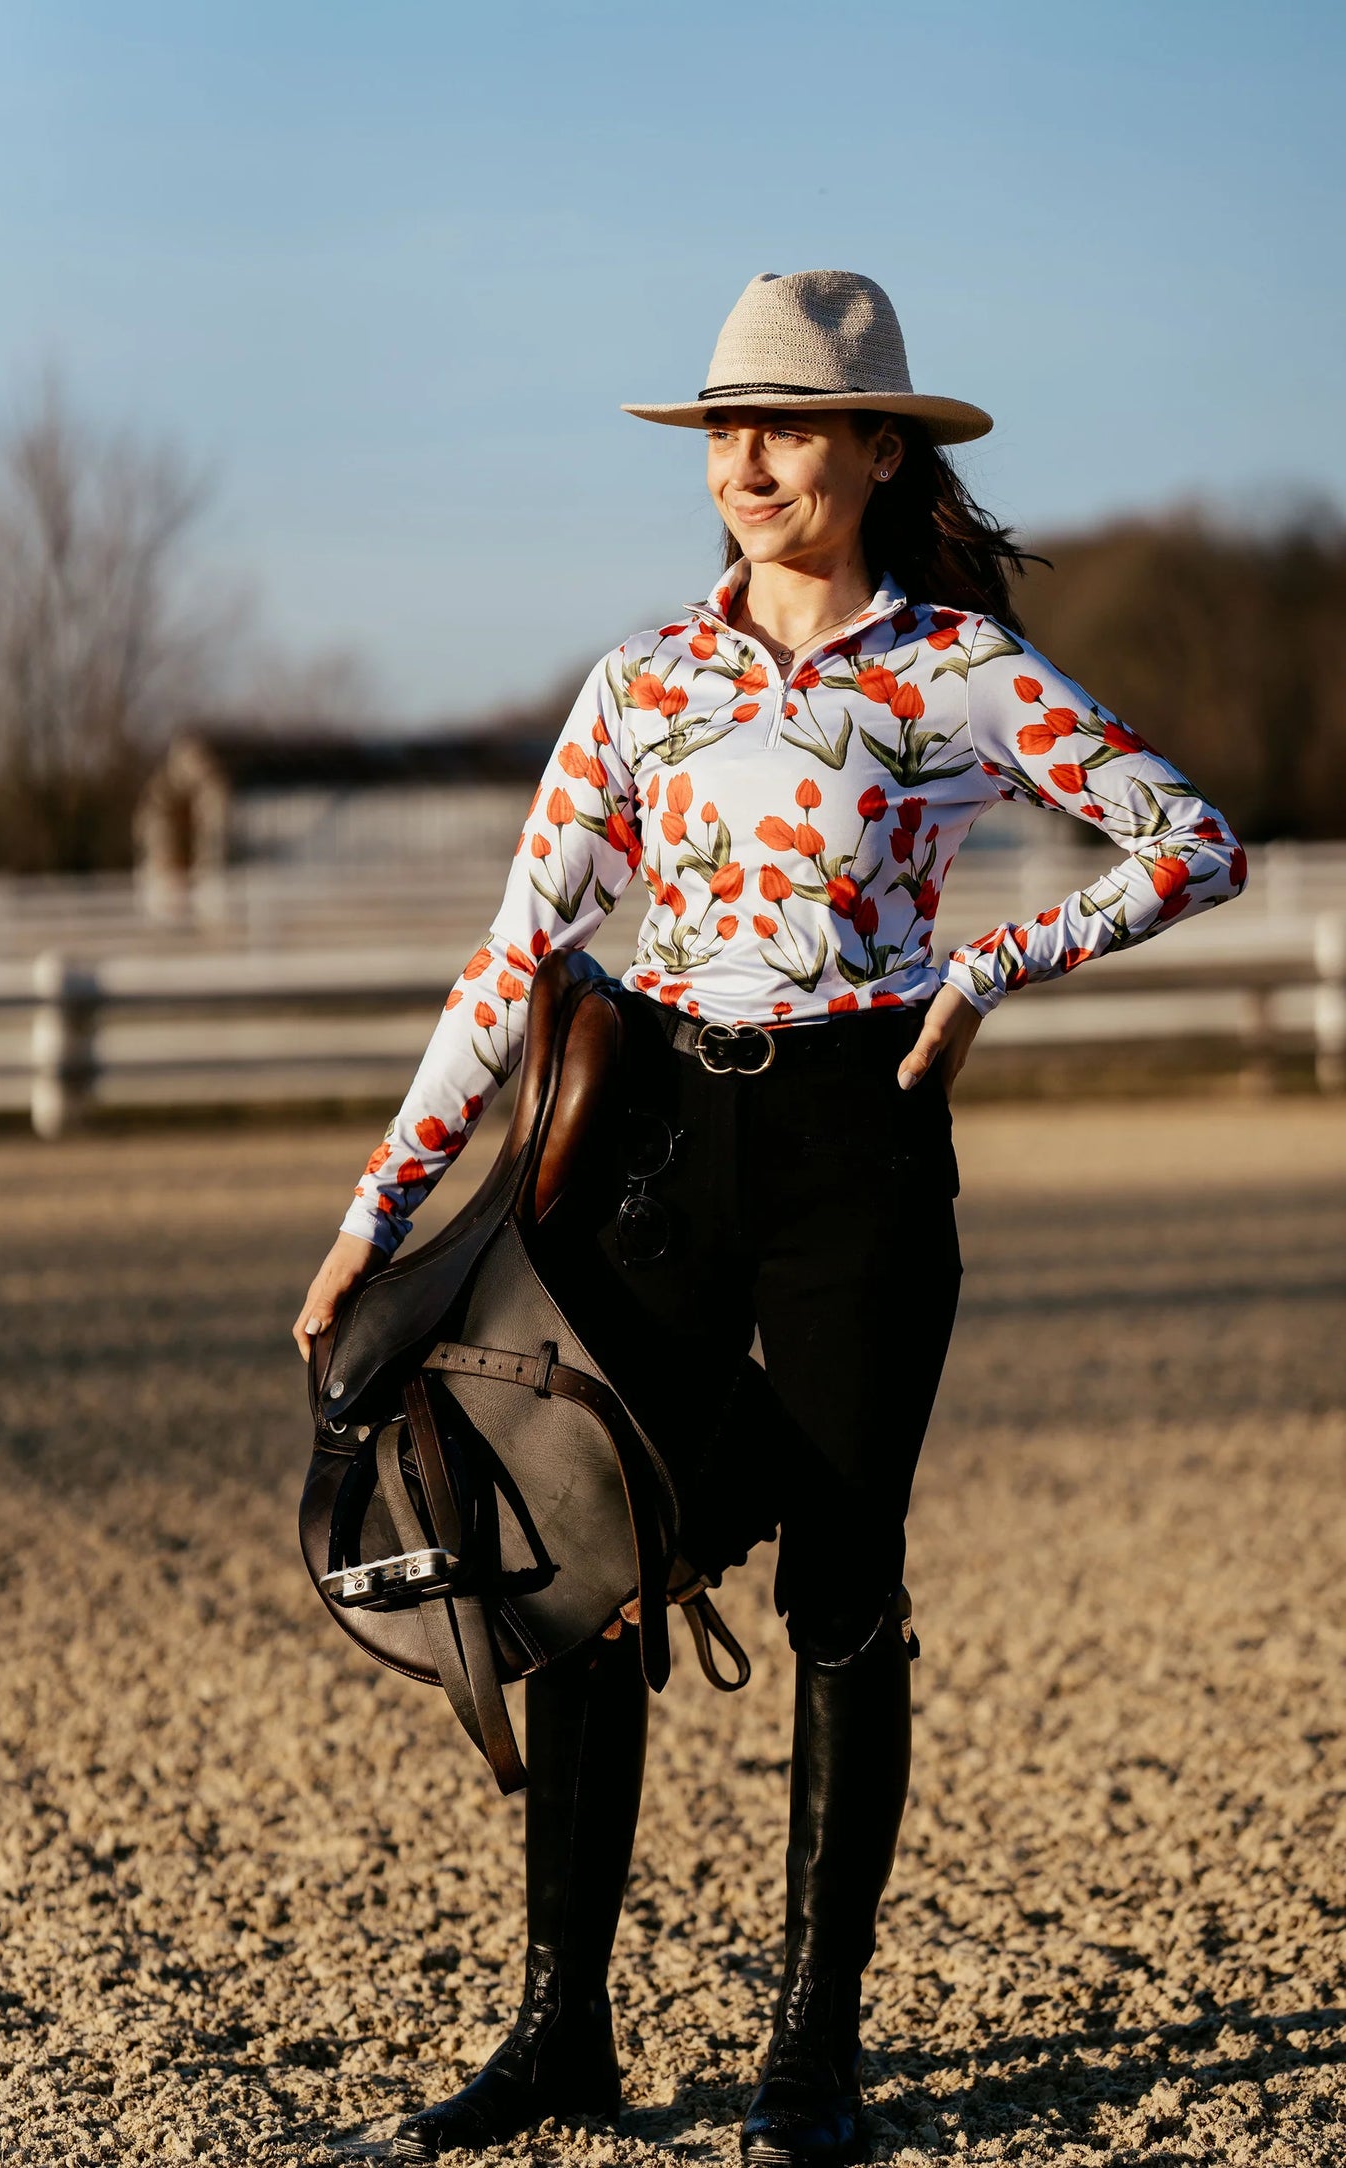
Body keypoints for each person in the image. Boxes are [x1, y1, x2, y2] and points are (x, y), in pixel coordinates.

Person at [293, 270, 1247, 2166]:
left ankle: (811, 2062)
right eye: (725, 427)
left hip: (857, 1156)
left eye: (788, 425)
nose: (746, 459)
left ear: (879, 451)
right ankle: (562, 2036)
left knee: (841, 1590)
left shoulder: (959, 674)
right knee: (574, 1573)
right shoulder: (641, 684)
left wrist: (987, 968)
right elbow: (516, 960)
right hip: (649, 1144)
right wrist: (371, 1214)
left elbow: (1192, 841)